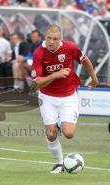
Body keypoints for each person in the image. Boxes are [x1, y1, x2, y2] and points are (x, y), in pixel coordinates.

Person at [30, 24, 99, 174]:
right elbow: (35, 83)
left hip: (68, 97)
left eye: (55, 39)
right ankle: (59, 162)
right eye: (49, 38)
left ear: (60, 39)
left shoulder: (70, 47)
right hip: (47, 97)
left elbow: (85, 60)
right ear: (45, 37)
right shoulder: (39, 53)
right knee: (51, 133)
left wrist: (93, 78)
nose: (51, 42)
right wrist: (55, 74)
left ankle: (60, 123)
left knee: (69, 134)